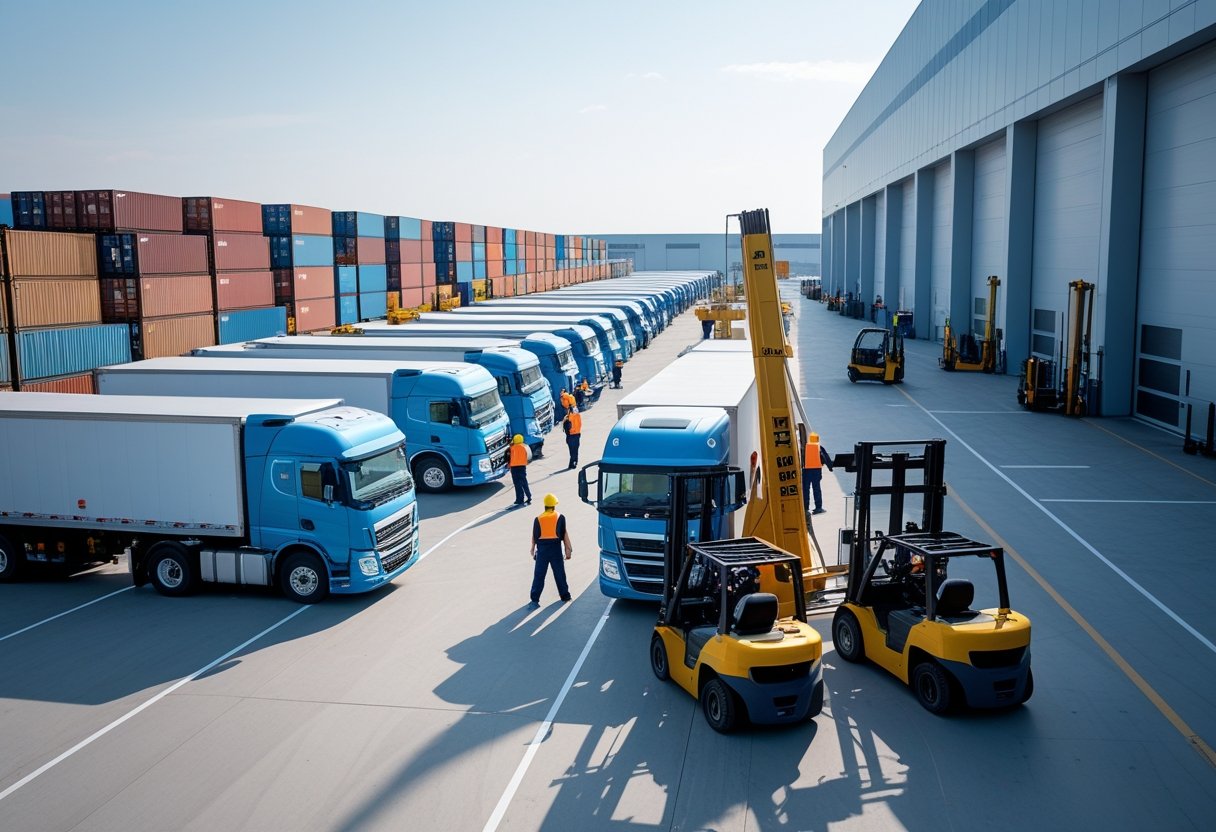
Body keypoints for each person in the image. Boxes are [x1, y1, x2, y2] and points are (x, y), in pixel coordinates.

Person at [530, 493, 572, 606]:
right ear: (554, 505)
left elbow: (535, 535)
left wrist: (533, 549)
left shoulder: (538, 519)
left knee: (539, 575)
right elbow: (564, 534)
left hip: (542, 550)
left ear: (545, 505)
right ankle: (565, 596)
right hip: (555, 549)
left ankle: (534, 600)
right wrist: (568, 550)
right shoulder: (560, 517)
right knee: (559, 573)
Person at [802, 431, 834, 515]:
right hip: (816, 471)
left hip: (806, 471)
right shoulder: (819, 447)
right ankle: (818, 507)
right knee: (816, 489)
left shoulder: (805, 447)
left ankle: (805, 508)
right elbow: (825, 457)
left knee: (806, 489)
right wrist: (830, 467)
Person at [508, 434, 532, 507]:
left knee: (517, 484)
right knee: (524, 482)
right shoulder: (525, 446)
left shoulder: (512, 447)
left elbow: (508, 457)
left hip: (514, 467)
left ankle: (519, 499)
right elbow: (529, 456)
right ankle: (529, 496)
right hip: (522, 467)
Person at [563, 405, 582, 469]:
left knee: (573, 452)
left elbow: (566, 428)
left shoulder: (568, 417)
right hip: (575, 436)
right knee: (574, 451)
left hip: (572, 436)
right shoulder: (576, 416)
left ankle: (573, 464)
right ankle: (573, 463)